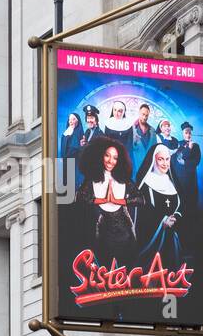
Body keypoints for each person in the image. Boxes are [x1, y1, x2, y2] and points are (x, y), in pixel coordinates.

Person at [75, 136, 139, 271]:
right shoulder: (91, 179)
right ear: (100, 156)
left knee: (125, 269)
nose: (111, 161)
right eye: (107, 156)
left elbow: (140, 199)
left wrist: (119, 201)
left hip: (124, 234)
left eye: (115, 157)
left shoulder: (124, 181)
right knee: (105, 269)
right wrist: (101, 200)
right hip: (102, 236)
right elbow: (80, 197)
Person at [134, 144, 185, 271]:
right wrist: (163, 220)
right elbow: (143, 209)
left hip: (172, 238)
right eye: (160, 159)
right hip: (152, 238)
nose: (165, 163)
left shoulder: (172, 182)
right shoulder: (146, 183)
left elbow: (182, 204)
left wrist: (176, 217)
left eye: (167, 159)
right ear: (153, 160)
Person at [171, 121, 202, 214]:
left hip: (190, 179)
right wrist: (188, 148)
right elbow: (177, 158)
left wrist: (185, 162)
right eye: (186, 133)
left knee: (190, 204)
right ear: (183, 133)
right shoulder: (178, 145)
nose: (188, 135)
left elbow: (196, 161)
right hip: (179, 179)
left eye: (189, 133)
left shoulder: (195, 146)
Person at [130, 103, 154, 174]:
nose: (144, 117)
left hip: (148, 170)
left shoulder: (152, 131)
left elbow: (154, 150)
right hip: (134, 169)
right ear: (139, 113)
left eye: (146, 115)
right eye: (143, 114)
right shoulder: (131, 129)